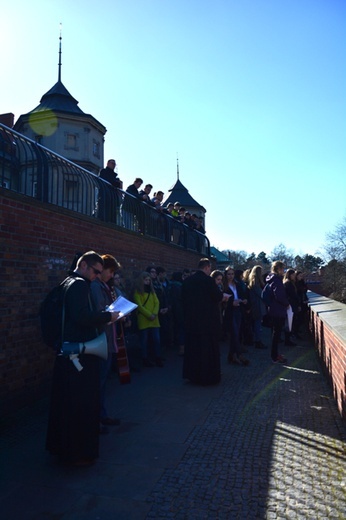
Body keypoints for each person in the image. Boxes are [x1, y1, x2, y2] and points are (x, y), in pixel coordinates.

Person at [46, 251, 120, 466]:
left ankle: (65, 449)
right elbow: (81, 316)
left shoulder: (68, 282)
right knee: (80, 403)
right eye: (96, 271)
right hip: (80, 352)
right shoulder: (79, 284)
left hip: (70, 350)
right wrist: (108, 316)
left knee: (67, 403)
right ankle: (77, 452)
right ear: (84, 265)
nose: (98, 276)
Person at [90, 254, 122, 433]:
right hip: (102, 339)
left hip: (107, 338)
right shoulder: (96, 287)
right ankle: (98, 418)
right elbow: (100, 312)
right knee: (99, 382)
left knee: (102, 382)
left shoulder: (102, 286)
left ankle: (101, 415)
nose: (111, 275)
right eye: (110, 271)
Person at [182, 258, 223, 385]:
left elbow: (182, 299)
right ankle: (207, 376)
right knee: (207, 350)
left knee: (193, 349)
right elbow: (217, 296)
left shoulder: (188, 281)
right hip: (207, 322)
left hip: (192, 321)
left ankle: (192, 374)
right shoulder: (209, 281)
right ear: (206, 267)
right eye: (209, 268)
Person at [133, 271, 163, 367]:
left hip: (154, 319)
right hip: (144, 319)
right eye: (146, 280)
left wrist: (154, 313)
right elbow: (139, 306)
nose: (148, 282)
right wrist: (150, 315)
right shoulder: (137, 292)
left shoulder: (152, 291)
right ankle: (145, 358)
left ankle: (157, 357)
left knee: (156, 340)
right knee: (144, 341)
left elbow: (157, 302)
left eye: (149, 280)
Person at [223, 266, 249, 366]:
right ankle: (238, 355)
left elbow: (241, 294)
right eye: (229, 274)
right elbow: (223, 300)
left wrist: (244, 300)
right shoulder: (224, 285)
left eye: (232, 274)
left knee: (236, 333)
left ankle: (232, 356)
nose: (230, 276)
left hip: (238, 309)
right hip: (230, 311)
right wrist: (231, 302)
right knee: (234, 333)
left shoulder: (236, 284)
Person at [266, 260, 290, 363]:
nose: (283, 271)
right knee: (276, 334)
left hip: (274, 309)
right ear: (278, 269)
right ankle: (274, 356)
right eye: (282, 268)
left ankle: (274, 354)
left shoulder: (271, 279)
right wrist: (286, 303)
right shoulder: (277, 280)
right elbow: (279, 296)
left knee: (275, 333)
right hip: (278, 310)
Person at [248, 265, 266, 349]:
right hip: (257, 306)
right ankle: (257, 341)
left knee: (257, 324)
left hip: (256, 306)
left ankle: (257, 340)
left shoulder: (252, 282)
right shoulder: (256, 284)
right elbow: (261, 294)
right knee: (257, 325)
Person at [283, 269, 301, 345]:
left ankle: (288, 339)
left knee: (290, 322)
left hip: (291, 305)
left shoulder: (288, 283)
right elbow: (292, 295)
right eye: (293, 275)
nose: (294, 276)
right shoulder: (288, 284)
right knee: (289, 323)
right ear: (290, 275)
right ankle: (287, 340)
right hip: (290, 305)